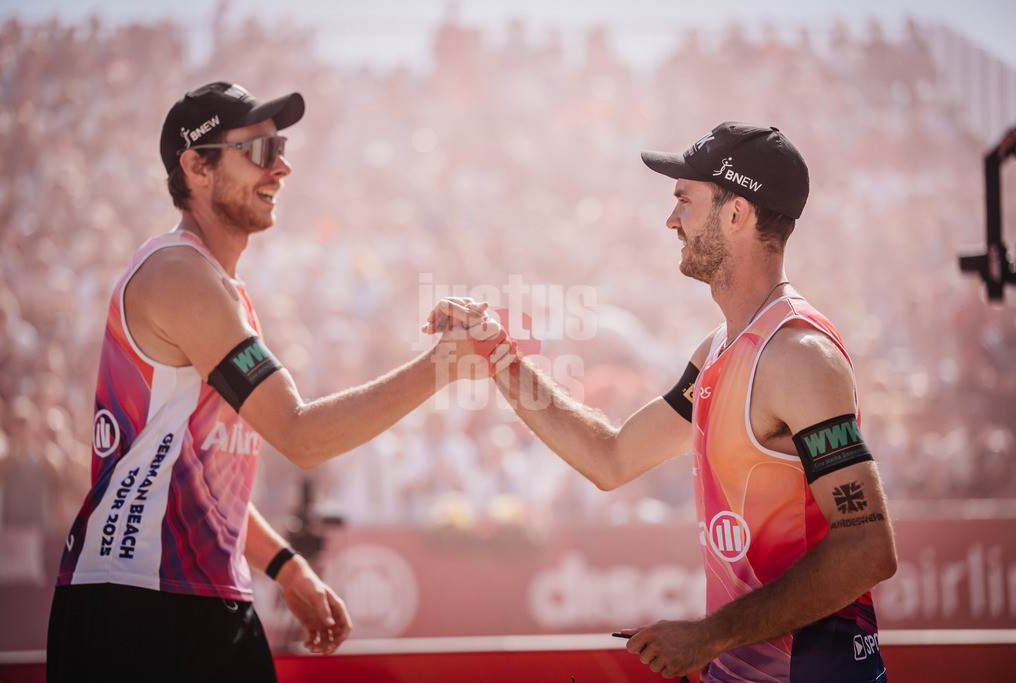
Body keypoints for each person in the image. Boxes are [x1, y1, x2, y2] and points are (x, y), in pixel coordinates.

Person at [46, 82, 511, 683]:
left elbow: (204, 485)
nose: (283, 167)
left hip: (192, 594)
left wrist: (286, 566)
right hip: (135, 599)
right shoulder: (179, 275)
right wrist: (443, 365)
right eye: (260, 151)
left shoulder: (216, 286)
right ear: (197, 167)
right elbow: (300, 435)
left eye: (281, 146)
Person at [456, 122, 898, 681]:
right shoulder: (719, 349)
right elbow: (611, 457)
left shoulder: (799, 355)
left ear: (737, 214)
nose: (671, 221)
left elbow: (868, 548)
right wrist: (499, 355)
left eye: (684, 202)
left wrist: (709, 635)